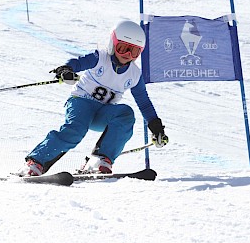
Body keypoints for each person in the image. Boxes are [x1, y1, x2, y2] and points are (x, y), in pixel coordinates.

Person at [17, 20, 168, 176]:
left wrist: (155, 126)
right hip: (81, 102)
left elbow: (144, 102)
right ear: (112, 43)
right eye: (122, 49)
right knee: (76, 130)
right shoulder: (100, 57)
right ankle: (35, 162)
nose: (127, 56)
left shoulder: (135, 74)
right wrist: (67, 69)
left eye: (134, 52)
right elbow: (79, 62)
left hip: (102, 113)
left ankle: (100, 160)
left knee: (126, 114)